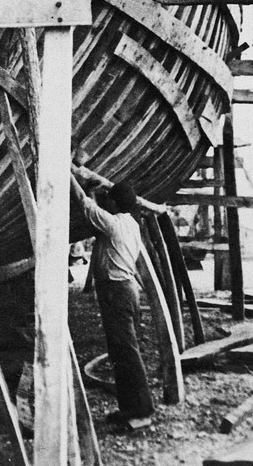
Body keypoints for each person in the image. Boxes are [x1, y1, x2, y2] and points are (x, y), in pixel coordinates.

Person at [71, 172, 154, 431]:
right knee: (121, 352)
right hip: (123, 290)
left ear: (116, 205)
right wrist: (97, 193)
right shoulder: (130, 225)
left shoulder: (115, 225)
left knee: (127, 352)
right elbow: (97, 211)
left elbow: (85, 205)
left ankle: (142, 410)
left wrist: (68, 173)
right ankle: (129, 408)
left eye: (111, 201)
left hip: (117, 292)